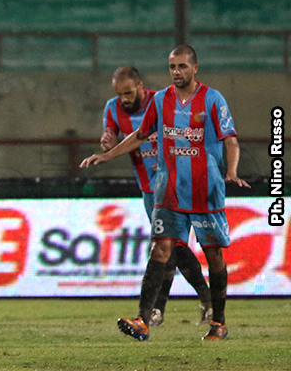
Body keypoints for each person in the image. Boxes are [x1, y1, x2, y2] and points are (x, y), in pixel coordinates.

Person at [81, 45, 250, 341]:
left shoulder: (213, 99)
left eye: (182, 66)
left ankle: (219, 322)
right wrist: (107, 155)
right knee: (160, 249)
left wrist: (232, 171)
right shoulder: (160, 100)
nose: (177, 72)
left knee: (213, 256)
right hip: (168, 190)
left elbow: (231, 140)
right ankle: (143, 320)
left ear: (194, 68)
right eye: (172, 66)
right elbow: (140, 135)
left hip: (205, 190)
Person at [101, 66, 212, 327]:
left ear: (140, 85)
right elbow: (111, 137)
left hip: (175, 183)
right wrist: (107, 142)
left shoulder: (161, 101)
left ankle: (160, 310)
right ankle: (201, 302)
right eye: (120, 94)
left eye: (128, 93)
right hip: (148, 189)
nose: (124, 99)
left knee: (169, 244)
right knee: (171, 247)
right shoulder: (112, 108)